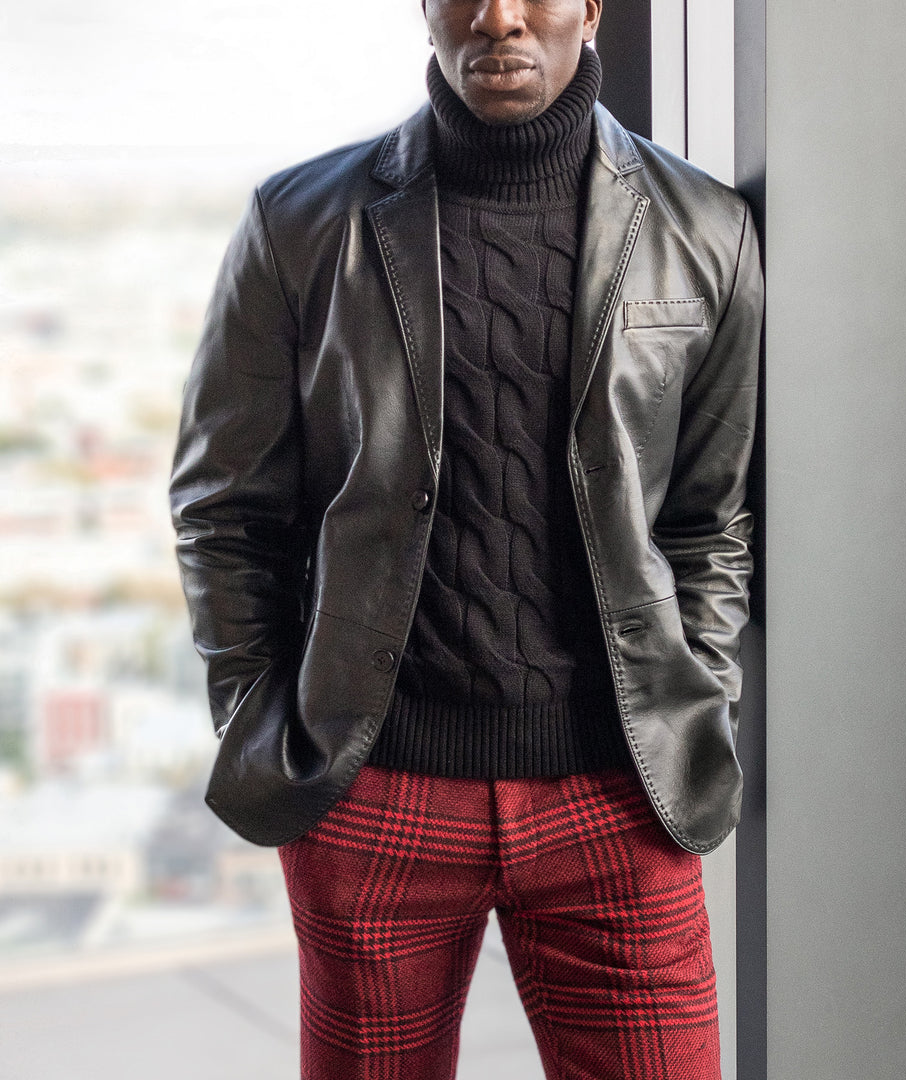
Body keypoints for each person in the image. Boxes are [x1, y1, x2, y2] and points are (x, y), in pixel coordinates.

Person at [170, 0, 762, 1076]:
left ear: (590, 6)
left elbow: (708, 520)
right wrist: (272, 724)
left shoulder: (704, 226)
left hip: (619, 795)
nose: (499, 18)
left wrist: (701, 693)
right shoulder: (301, 220)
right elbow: (225, 508)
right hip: (377, 793)